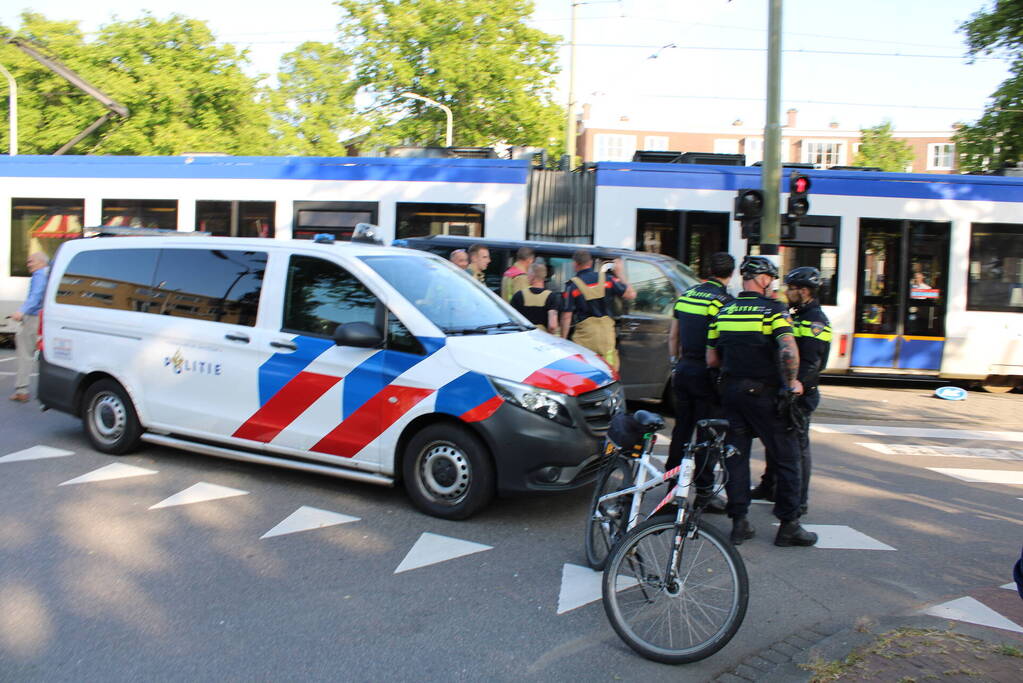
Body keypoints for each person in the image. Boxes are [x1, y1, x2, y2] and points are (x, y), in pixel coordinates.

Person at [706, 255, 817, 548]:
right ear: (764, 279)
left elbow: (712, 358)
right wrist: (792, 383)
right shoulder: (773, 311)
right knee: (787, 456)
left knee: (736, 458)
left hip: (731, 393)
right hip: (765, 394)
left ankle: (739, 523)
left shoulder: (725, 310)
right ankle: (789, 525)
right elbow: (788, 348)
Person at [751, 267, 832, 516]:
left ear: (804, 291)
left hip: (801, 393)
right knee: (777, 442)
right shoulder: (797, 313)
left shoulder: (815, 321)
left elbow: (813, 363)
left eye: (791, 288)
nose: (787, 292)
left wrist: (797, 386)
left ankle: (799, 499)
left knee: (797, 448)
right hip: (785, 389)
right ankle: (769, 486)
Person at [666, 252, 735, 514]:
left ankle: (672, 485)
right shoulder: (724, 302)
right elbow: (722, 344)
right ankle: (704, 493)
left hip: (683, 370)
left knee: (681, 431)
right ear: (731, 274)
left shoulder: (686, 296)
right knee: (707, 435)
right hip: (707, 375)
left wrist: (675, 363)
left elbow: (673, 337)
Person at [559, 250, 635, 371]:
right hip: (606, 337)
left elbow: (566, 316)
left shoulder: (572, 286)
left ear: (575, 264)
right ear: (591, 262)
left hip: (585, 338)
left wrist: (562, 339)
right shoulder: (608, 279)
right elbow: (631, 295)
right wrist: (620, 274)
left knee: (585, 370)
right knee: (610, 369)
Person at [11, 252, 49, 403]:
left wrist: (22, 311)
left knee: (25, 353)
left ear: (41, 262)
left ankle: (22, 390)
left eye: (31, 262)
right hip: (45, 317)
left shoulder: (39, 275)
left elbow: (36, 295)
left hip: (33, 318)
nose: (28, 265)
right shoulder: (49, 273)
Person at [510, 262, 559, 334]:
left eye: (528, 274)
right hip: (543, 339)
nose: (527, 277)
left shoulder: (519, 295)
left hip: (525, 337)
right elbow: (552, 326)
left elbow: (512, 320)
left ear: (532, 276)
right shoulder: (551, 297)